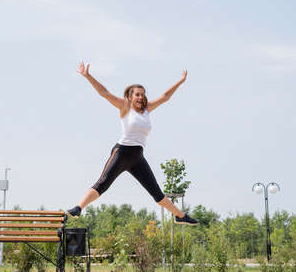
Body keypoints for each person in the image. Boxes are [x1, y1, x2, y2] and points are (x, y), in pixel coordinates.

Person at [66, 62, 198, 225]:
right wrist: (88, 76)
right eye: (137, 94)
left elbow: (165, 97)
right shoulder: (124, 107)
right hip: (122, 152)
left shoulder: (147, 109)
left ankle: (180, 216)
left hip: (137, 157)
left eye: (142, 94)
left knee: (156, 192)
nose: (141, 97)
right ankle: (79, 208)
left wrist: (180, 81)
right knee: (103, 183)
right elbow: (104, 93)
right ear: (130, 96)